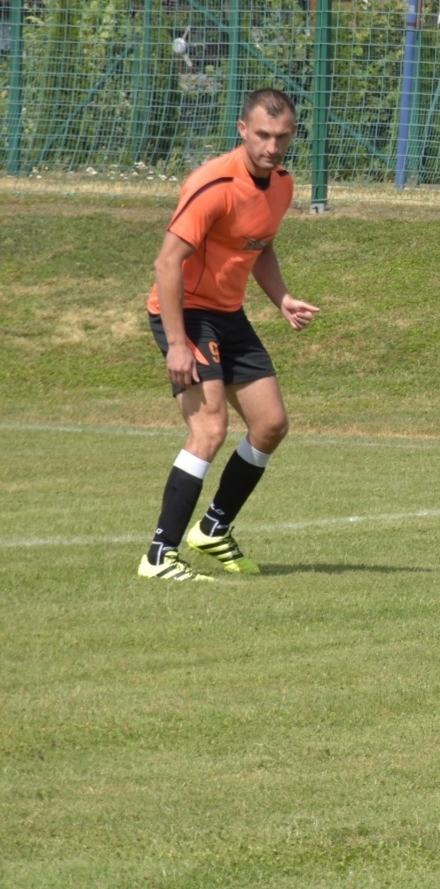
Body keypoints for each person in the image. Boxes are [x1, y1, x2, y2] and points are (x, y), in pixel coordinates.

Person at [138, 88, 319, 581]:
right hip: (187, 313)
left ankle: (214, 528)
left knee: (271, 424)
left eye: (282, 137)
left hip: (228, 313)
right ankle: (159, 556)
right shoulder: (213, 184)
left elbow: (259, 246)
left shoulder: (282, 185)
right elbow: (166, 262)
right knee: (209, 429)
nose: (272, 146)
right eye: (262, 134)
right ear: (242, 130)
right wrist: (177, 342)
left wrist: (281, 298)